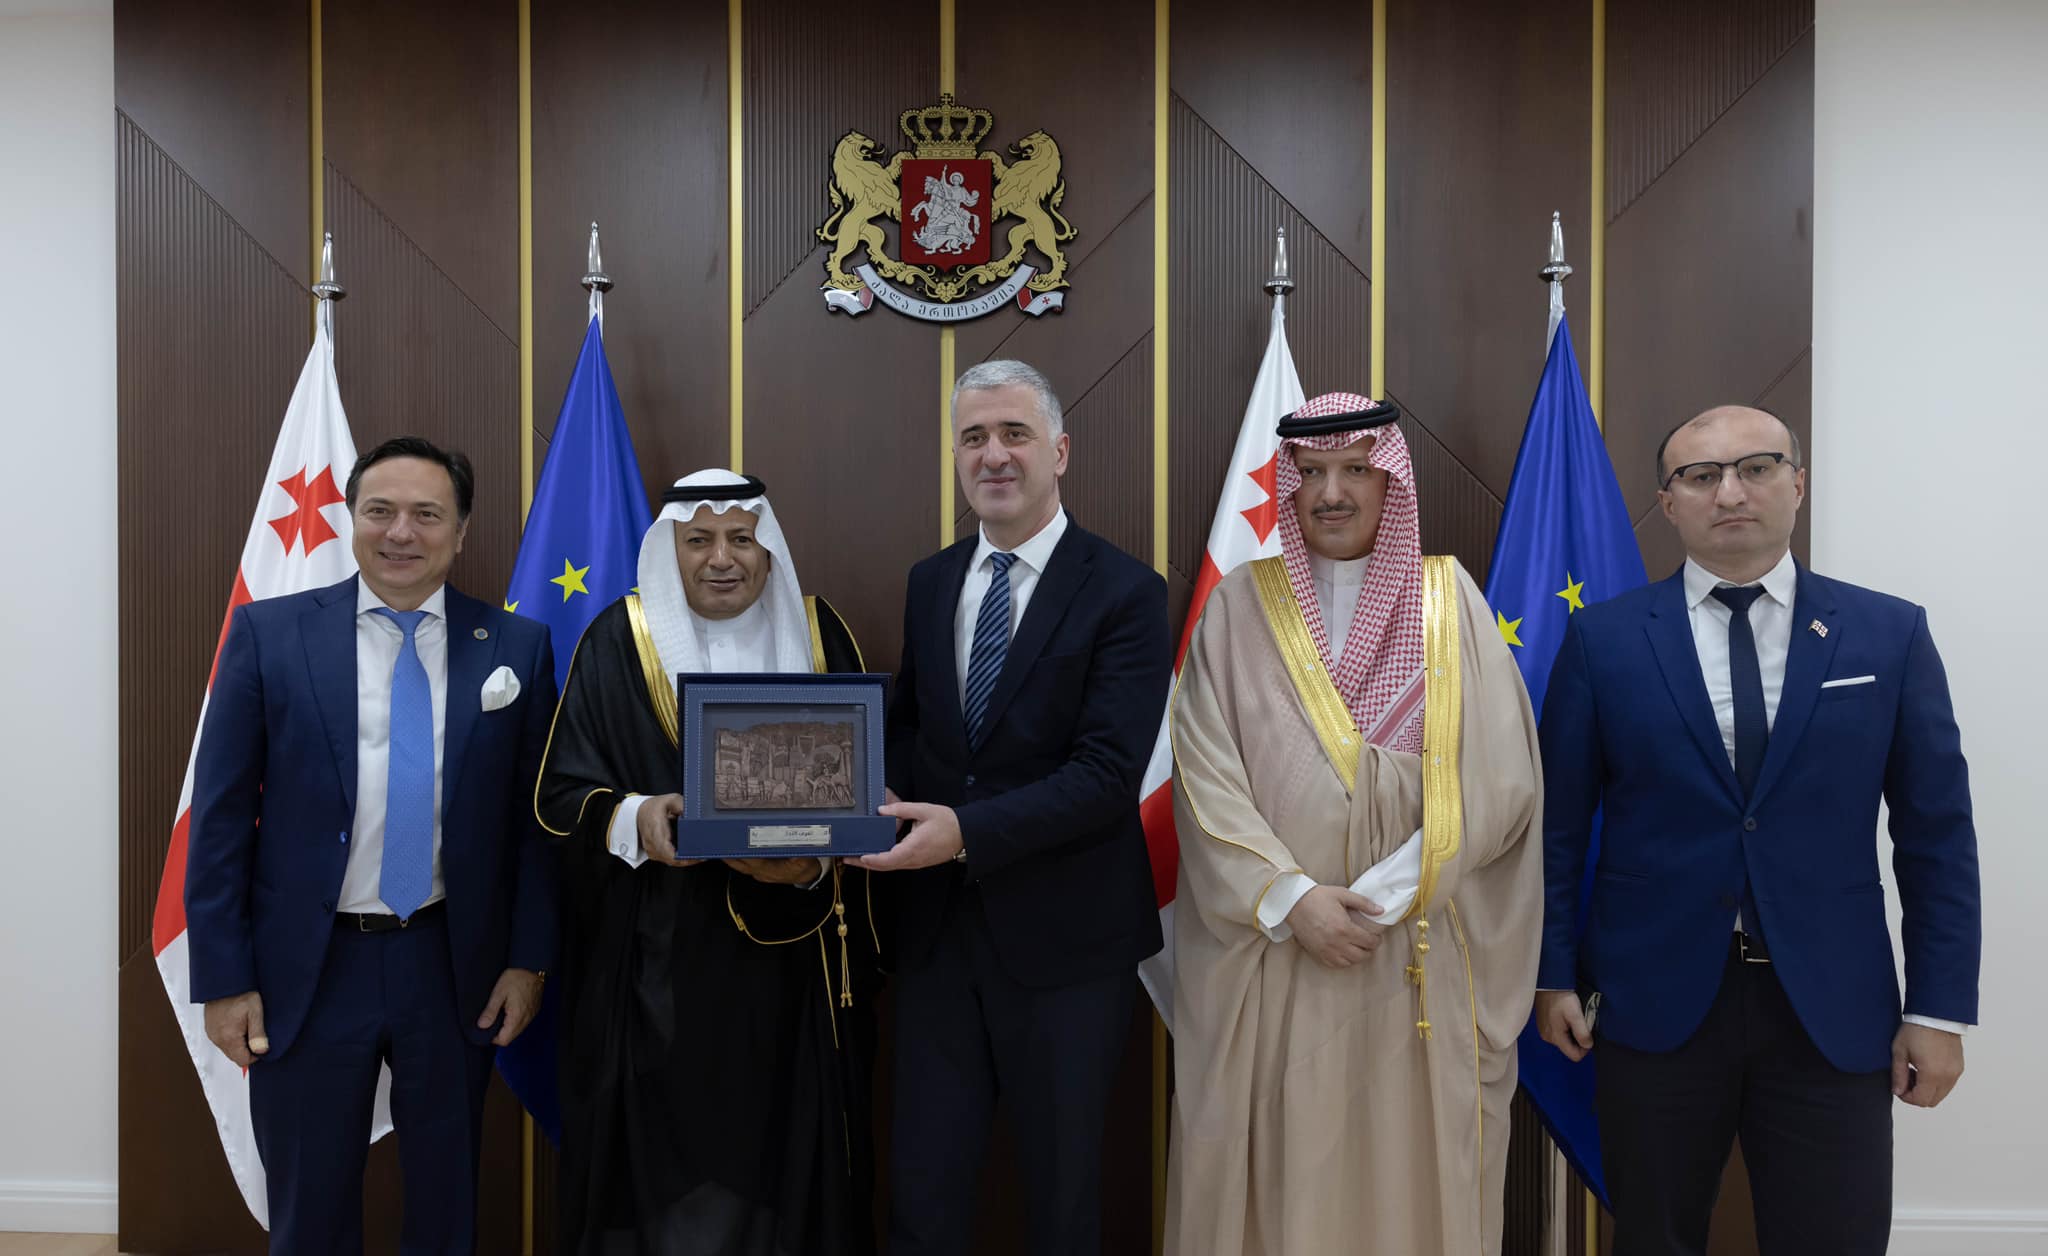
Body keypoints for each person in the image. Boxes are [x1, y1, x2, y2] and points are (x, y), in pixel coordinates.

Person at [1534, 406, 1980, 1255]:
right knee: (1654, 1238)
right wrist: (1552, 974)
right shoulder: (1604, 640)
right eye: (1702, 476)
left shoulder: (1889, 633)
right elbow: (1559, 827)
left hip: (1832, 1008)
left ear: (1798, 484)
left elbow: (1938, 838)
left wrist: (1939, 1008)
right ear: (1669, 503)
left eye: (1757, 468)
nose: (1731, 492)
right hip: (1653, 1002)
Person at [1165, 392, 1544, 1255]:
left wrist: (1383, 896)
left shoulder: (1450, 602)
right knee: (1281, 1177)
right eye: (1311, 473)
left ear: (1390, 483)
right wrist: (1293, 899)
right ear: (1289, 488)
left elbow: (1498, 779)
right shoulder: (1238, 609)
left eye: (1355, 470)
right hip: (1277, 953)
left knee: (1406, 1181)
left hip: (1410, 952)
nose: (1331, 493)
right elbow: (1204, 777)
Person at [185, 436, 558, 1254]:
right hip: (307, 971)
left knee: (446, 1208)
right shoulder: (269, 634)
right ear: (350, 519)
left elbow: (533, 827)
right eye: (380, 511)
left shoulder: (516, 648)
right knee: (310, 1211)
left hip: (451, 965)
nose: (401, 533)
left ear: (461, 531)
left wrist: (527, 963)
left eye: (427, 514)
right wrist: (224, 977)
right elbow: (218, 822)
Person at [853, 360, 1170, 1256]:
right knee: (921, 1198)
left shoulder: (1127, 592)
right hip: (935, 942)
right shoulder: (930, 581)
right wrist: (872, 789)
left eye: (1014, 434)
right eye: (973, 438)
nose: (993, 455)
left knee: (1063, 1205)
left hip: (1068, 947)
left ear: (1059, 451)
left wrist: (964, 834)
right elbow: (915, 727)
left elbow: (1106, 774)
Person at [535, 470, 879, 1256]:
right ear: (672, 550)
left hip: (792, 977)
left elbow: (862, 793)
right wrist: (639, 817)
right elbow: (560, 799)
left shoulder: (820, 634)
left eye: (740, 539)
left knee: (788, 1175)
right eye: (699, 540)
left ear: (767, 549)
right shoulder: (618, 641)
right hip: (657, 972)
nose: (721, 558)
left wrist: (813, 869)